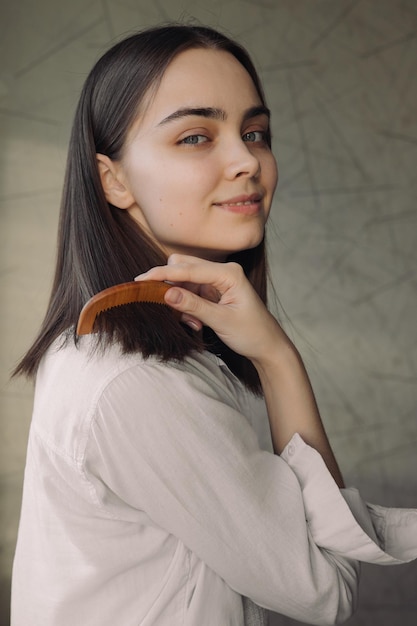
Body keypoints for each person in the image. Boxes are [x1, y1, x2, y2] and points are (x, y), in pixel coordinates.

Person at [11, 24, 417, 626]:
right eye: (196, 136)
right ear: (113, 180)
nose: (246, 160)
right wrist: (278, 360)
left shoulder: (104, 351)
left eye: (255, 133)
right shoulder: (139, 384)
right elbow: (326, 591)